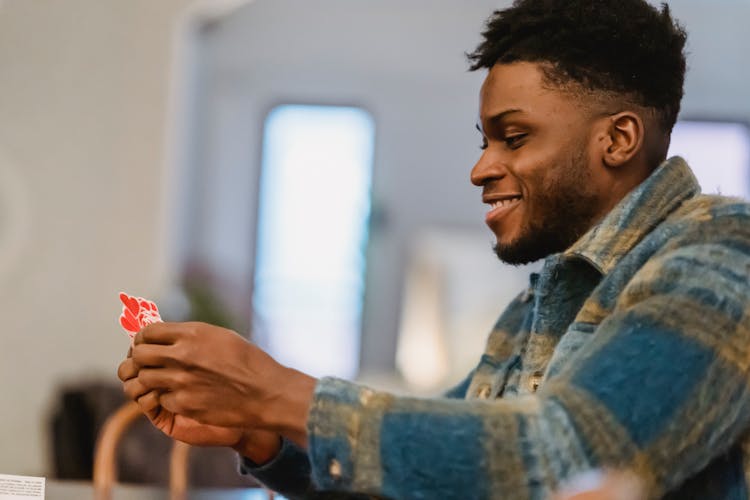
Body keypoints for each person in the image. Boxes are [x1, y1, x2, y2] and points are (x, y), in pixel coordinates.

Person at [117, 0, 750, 498]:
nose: (481, 169)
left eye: (513, 137)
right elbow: (424, 477)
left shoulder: (722, 252)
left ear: (617, 139)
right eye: (485, 140)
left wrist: (277, 392)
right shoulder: (533, 311)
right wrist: (261, 434)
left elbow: (567, 457)